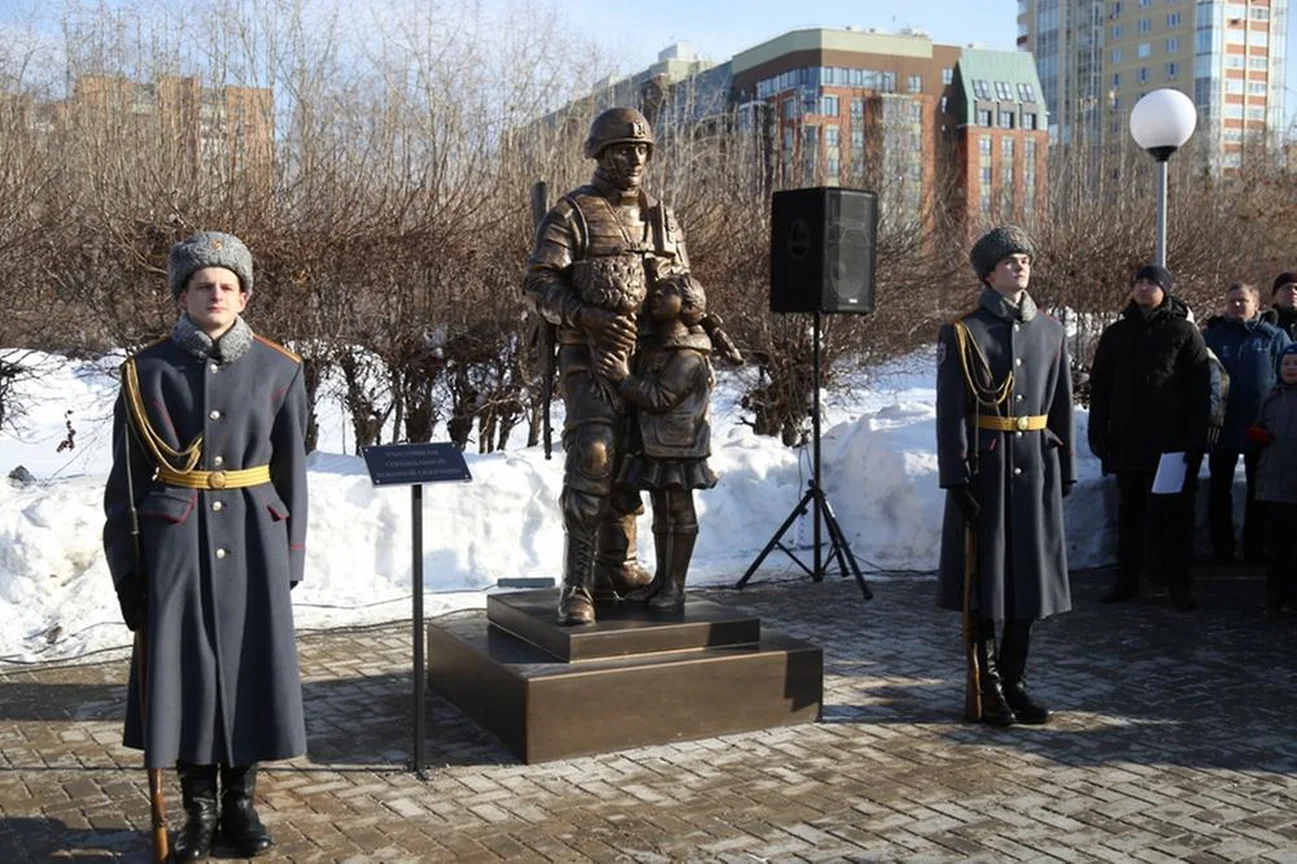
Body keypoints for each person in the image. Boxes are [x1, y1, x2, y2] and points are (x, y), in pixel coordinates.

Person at [103, 232, 308, 860]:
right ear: (183, 295)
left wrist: (290, 558)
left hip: (253, 534)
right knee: (185, 671)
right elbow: (127, 478)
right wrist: (129, 567)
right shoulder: (146, 371)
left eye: (226, 284)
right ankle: (198, 810)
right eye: (202, 285)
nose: (215, 294)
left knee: (248, 665)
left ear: (243, 296)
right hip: (175, 541)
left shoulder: (281, 368)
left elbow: (290, 472)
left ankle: (240, 805)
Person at [523, 107, 693, 625]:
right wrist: (587, 317)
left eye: (643, 149)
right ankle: (578, 584)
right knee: (595, 455)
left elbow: (684, 282)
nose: (636, 158)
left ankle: (618, 563)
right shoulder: (573, 213)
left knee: (652, 461)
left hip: (653, 358)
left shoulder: (662, 216)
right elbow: (538, 285)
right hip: (589, 355)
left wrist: (684, 309)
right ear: (600, 153)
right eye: (625, 149)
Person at [936, 225, 1075, 728]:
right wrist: (955, 478)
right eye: (1010, 261)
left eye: (1025, 260)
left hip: (1035, 469)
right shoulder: (963, 331)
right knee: (985, 585)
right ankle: (987, 684)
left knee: (1029, 585)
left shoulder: (1052, 331)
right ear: (988, 272)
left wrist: (1067, 469)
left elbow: (1060, 404)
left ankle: (1015, 681)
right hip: (986, 473)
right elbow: (950, 411)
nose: (1021, 267)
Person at [1088, 264, 1214, 610]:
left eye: (1151, 283)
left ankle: (1179, 583)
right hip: (1128, 440)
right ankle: (1126, 579)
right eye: (1139, 282)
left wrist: (1195, 440)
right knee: (1129, 513)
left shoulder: (1183, 332)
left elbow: (1201, 390)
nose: (1144, 288)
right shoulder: (1116, 334)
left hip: (1172, 443)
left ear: (1165, 290)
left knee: (1175, 514)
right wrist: (1098, 433)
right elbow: (1100, 389)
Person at [596, 275, 718, 610]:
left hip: (680, 446)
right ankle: (661, 583)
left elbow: (660, 397)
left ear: (689, 305)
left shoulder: (689, 356)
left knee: (679, 512)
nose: (657, 295)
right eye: (657, 289)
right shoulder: (660, 346)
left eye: (668, 292)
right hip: (658, 444)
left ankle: (675, 586)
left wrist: (623, 378)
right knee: (663, 514)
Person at [1202, 282, 1290, 564]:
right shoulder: (1213, 336)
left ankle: (1255, 545)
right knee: (1219, 487)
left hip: (1260, 425)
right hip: (1222, 426)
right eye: (1232, 301)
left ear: (1256, 304)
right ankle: (1222, 546)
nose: (1237, 306)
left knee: (1258, 488)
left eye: (1243, 301)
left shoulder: (1273, 337)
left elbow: (1287, 377)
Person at [1248, 342, 1297, 612]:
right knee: (1276, 541)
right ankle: (1276, 589)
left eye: (1296, 364)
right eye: (1286, 364)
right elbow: (1260, 425)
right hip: (1273, 477)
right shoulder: (1272, 396)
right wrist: (1258, 434)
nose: (1291, 368)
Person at [1263, 272, 1297, 341]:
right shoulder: (1265, 322)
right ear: (1275, 295)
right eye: (1287, 288)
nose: (1293, 292)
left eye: (1296, 288)